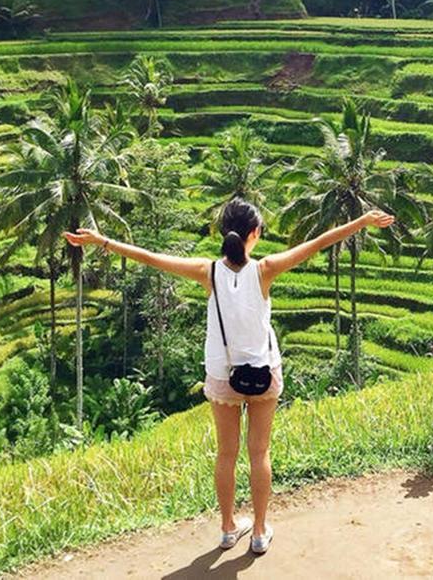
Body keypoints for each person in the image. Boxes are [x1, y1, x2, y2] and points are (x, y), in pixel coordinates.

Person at [63, 200, 394, 555]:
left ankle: (226, 528)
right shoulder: (265, 270)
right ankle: (260, 531)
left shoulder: (208, 272)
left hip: (223, 376)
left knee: (226, 454)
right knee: (259, 452)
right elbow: (316, 244)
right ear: (254, 233)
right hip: (263, 374)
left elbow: (151, 258)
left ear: (226, 232)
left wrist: (103, 242)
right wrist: (361, 221)